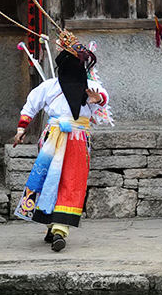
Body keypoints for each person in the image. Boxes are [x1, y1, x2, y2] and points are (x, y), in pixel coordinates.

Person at [11, 42, 108, 252]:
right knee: (49, 180)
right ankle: (51, 224)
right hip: (52, 138)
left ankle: (60, 230)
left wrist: (98, 99)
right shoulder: (50, 86)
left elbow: (104, 99)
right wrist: (21, 130)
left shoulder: (90, 86)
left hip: (78, 140)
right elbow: (31, 106)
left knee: (71, 182)